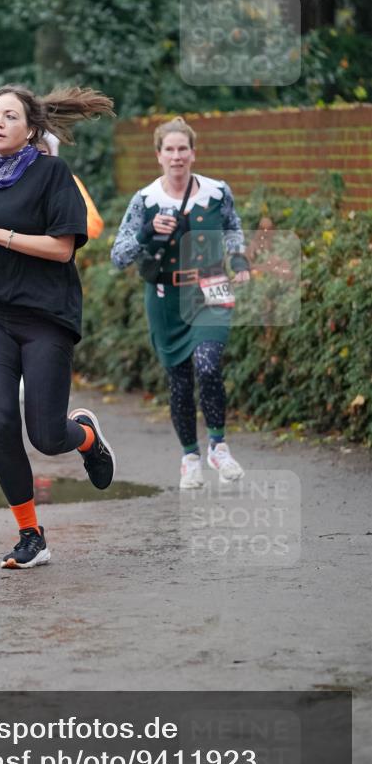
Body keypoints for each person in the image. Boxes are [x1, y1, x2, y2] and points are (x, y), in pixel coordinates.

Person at [0, 84, 116, 569]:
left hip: (46, 316)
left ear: (30, 129)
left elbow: (63, 248)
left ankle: (87, 437)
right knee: (1, 423)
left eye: (9, 116)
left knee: (47, 436)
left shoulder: (54, 174)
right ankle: (31, 534)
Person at [110, 116, 250, 489]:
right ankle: (190, 456)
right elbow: (119, 256)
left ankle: (218, 446)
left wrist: (238, 259)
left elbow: (233, 226)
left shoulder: (217, 192)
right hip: (165, 299)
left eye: (182, 149)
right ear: (158, 155)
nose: (176, 156)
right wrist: (146, 232)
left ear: (193, 152)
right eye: (169, 150)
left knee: (206, 364)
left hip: (210, 289)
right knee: (180, 380)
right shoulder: (145, 201)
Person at [36, 133, 105, 240]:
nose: (36, 158)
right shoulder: (6, 182)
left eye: (42, 152)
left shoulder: (68, 182)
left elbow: (93, 225)